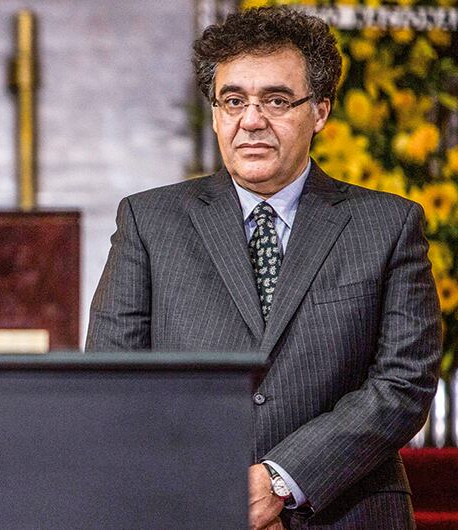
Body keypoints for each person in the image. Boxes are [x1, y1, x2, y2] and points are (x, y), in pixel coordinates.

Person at [86, 7, 441, 529]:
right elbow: (115, 381)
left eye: (276, 100)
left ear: (319, 110)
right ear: (214, 113)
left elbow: (404, 383)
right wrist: (216, 488)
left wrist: (280, 479)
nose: (251, 120)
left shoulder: (387, 224)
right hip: (190, 508)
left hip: (347, 509)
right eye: (233, 101)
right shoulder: (149, 220)